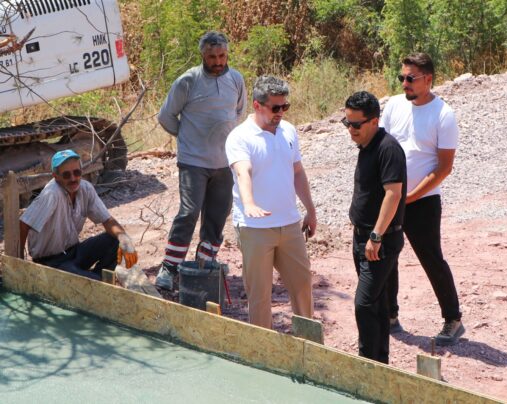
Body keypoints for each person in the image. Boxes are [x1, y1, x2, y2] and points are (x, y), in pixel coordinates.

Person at [380, 52, 465, 346]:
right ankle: (390, 315)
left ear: (427, 79)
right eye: (401, 77)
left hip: (424, 202)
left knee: (431, 258)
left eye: (410, 78)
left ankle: (452, 319)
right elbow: (382, 148)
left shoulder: (443, 114)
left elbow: (444, 168)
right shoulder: (394, 105)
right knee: (388, 256)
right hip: (391, 197)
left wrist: (410, 197)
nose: (404, 83)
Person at [155, 31, 247, 290]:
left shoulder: (236, 79)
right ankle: (169, 268)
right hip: (193, 161)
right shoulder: (188, 81)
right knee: (189, 212)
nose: (218, 62)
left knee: (218, 214)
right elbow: (166, 116)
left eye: (222, 56)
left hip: (225, 161)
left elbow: (238, 112)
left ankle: (205, 264)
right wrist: (186, 137)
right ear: (203, 56)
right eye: (212, 57)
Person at [225, 75, 316, 329]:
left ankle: (308, 344)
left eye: (285, 106)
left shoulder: (288, 131)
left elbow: (297, 172)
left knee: (302, 286)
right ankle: (262, 349)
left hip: (289, 224)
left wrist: (310, 210)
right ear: (257, 105)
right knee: (260, 295)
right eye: (275, 107)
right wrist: (249, 203)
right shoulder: (240, 137)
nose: (281, 112)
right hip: (255, 229)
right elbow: (243, 171)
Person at [344, 91, 407, 363]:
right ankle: (380, 364)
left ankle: (366, 364)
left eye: (356, 124)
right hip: (364, 239)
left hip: (378, 242)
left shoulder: (387, 148)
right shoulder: (366, 145)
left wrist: (375, 235)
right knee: (378, 304)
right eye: (347, 123)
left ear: (373, 121)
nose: (351, 130)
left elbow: (393, 194)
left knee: (365, 304)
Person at [19, 149, 138, 279]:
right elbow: (24, 224)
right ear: (56, 176)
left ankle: (99, 278)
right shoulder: (51, 194)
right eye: (66, 175)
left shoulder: (86, 189)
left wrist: (125, 239)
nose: (73, 178)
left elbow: (107, 220)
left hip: (74, 252)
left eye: (76, 172)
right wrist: (18, 261)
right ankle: (95, 280)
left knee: (114, 239)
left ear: (81, 171)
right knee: (92, 281)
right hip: (51, 262)